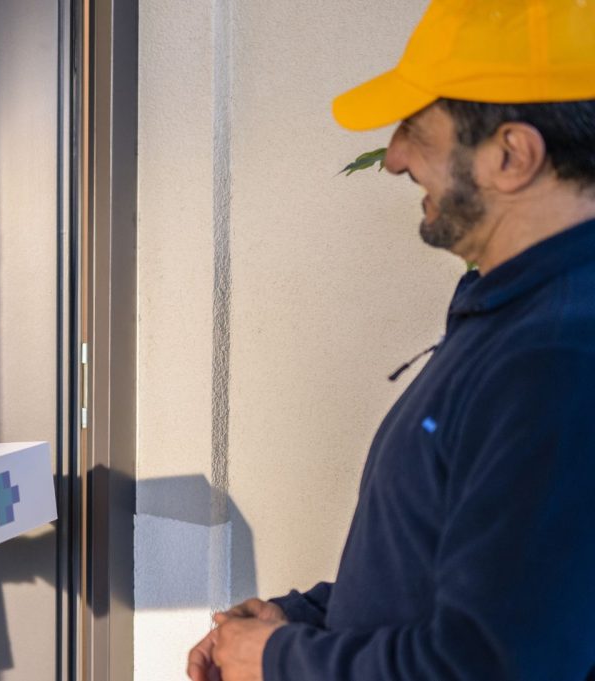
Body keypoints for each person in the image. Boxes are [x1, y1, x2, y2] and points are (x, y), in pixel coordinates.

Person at [188, 1, 595, 679]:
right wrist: (307, 618)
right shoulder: (508, 313)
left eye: (414, 127)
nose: (395, 158)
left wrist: (280, 658)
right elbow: (453, 569)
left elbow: (492, 664)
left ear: (511, 153)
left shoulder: (556, 358)